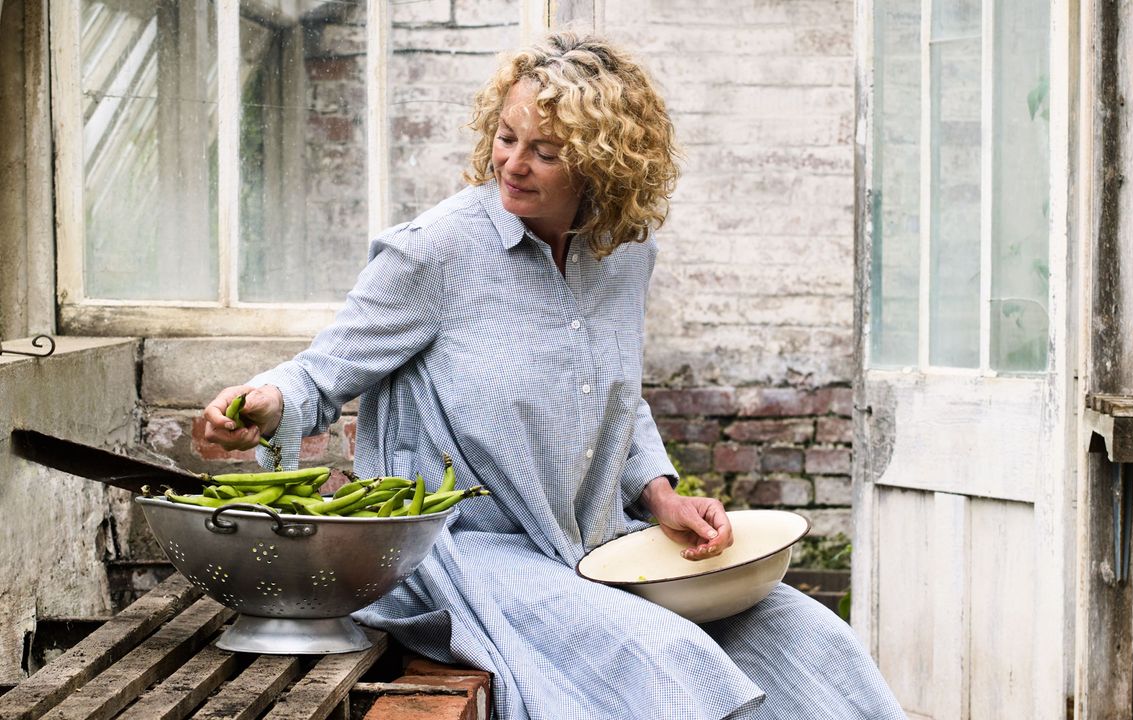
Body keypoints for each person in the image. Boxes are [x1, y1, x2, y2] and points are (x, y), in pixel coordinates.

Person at [203, 30, 905, 720]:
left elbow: (617, 395)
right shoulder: (436, 253)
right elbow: (322, 373)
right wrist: (263, 401)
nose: (512, 164)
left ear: (603, 163)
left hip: (599, 546)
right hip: (462, 556)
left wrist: (661, 495)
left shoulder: (624, 255)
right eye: (507, 138)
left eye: (545, 152)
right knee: (662, 657)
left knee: (806, 636)